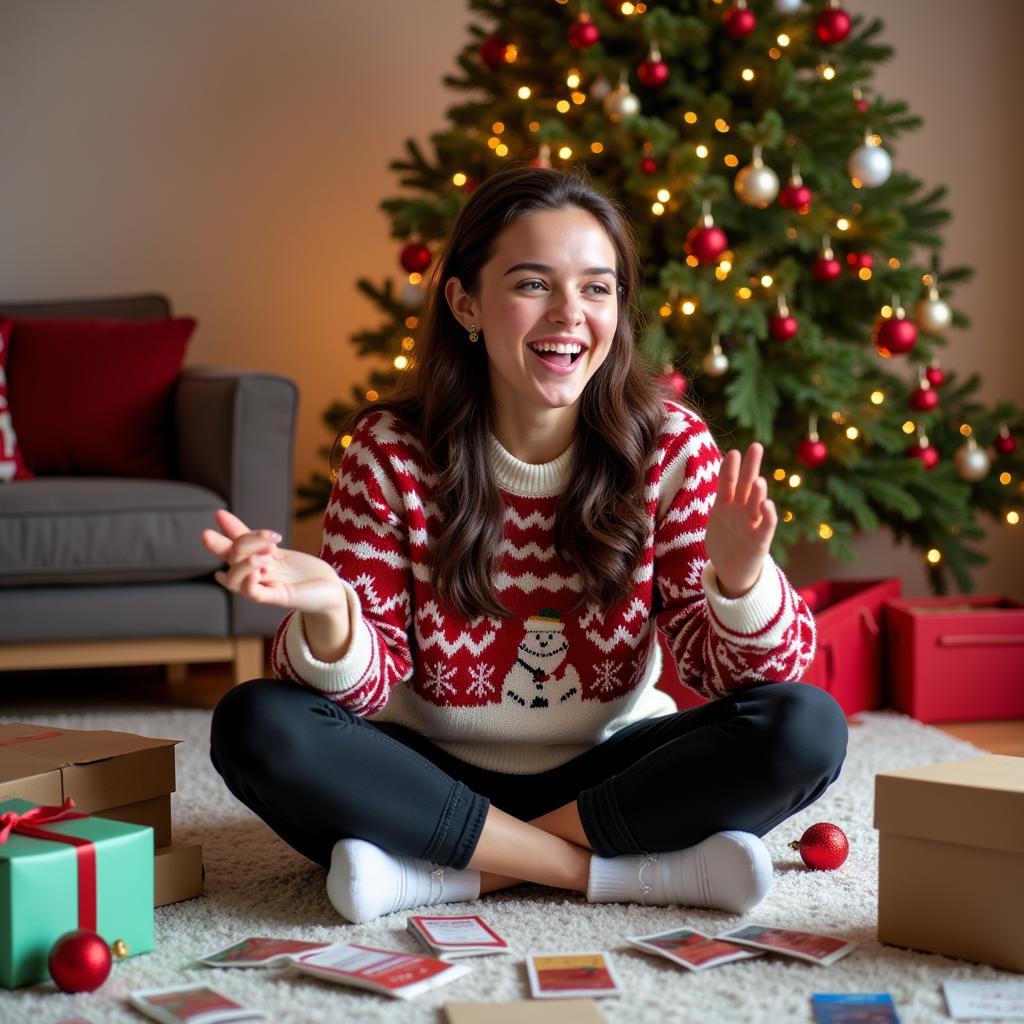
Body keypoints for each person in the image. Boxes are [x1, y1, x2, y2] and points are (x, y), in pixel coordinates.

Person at [205, 165, 846, 925]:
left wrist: (741, 581)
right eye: (534, 285)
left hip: (607, 775)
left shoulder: (672, 447)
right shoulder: (389, 453)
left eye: (597, 288)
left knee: (807, 726)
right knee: (255, 723)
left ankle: (444, 875)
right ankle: (609, 872)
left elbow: (739, 674)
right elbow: (359, 694)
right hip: (425, 772)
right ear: (465, 302)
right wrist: (331, 610)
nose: (570, 315)